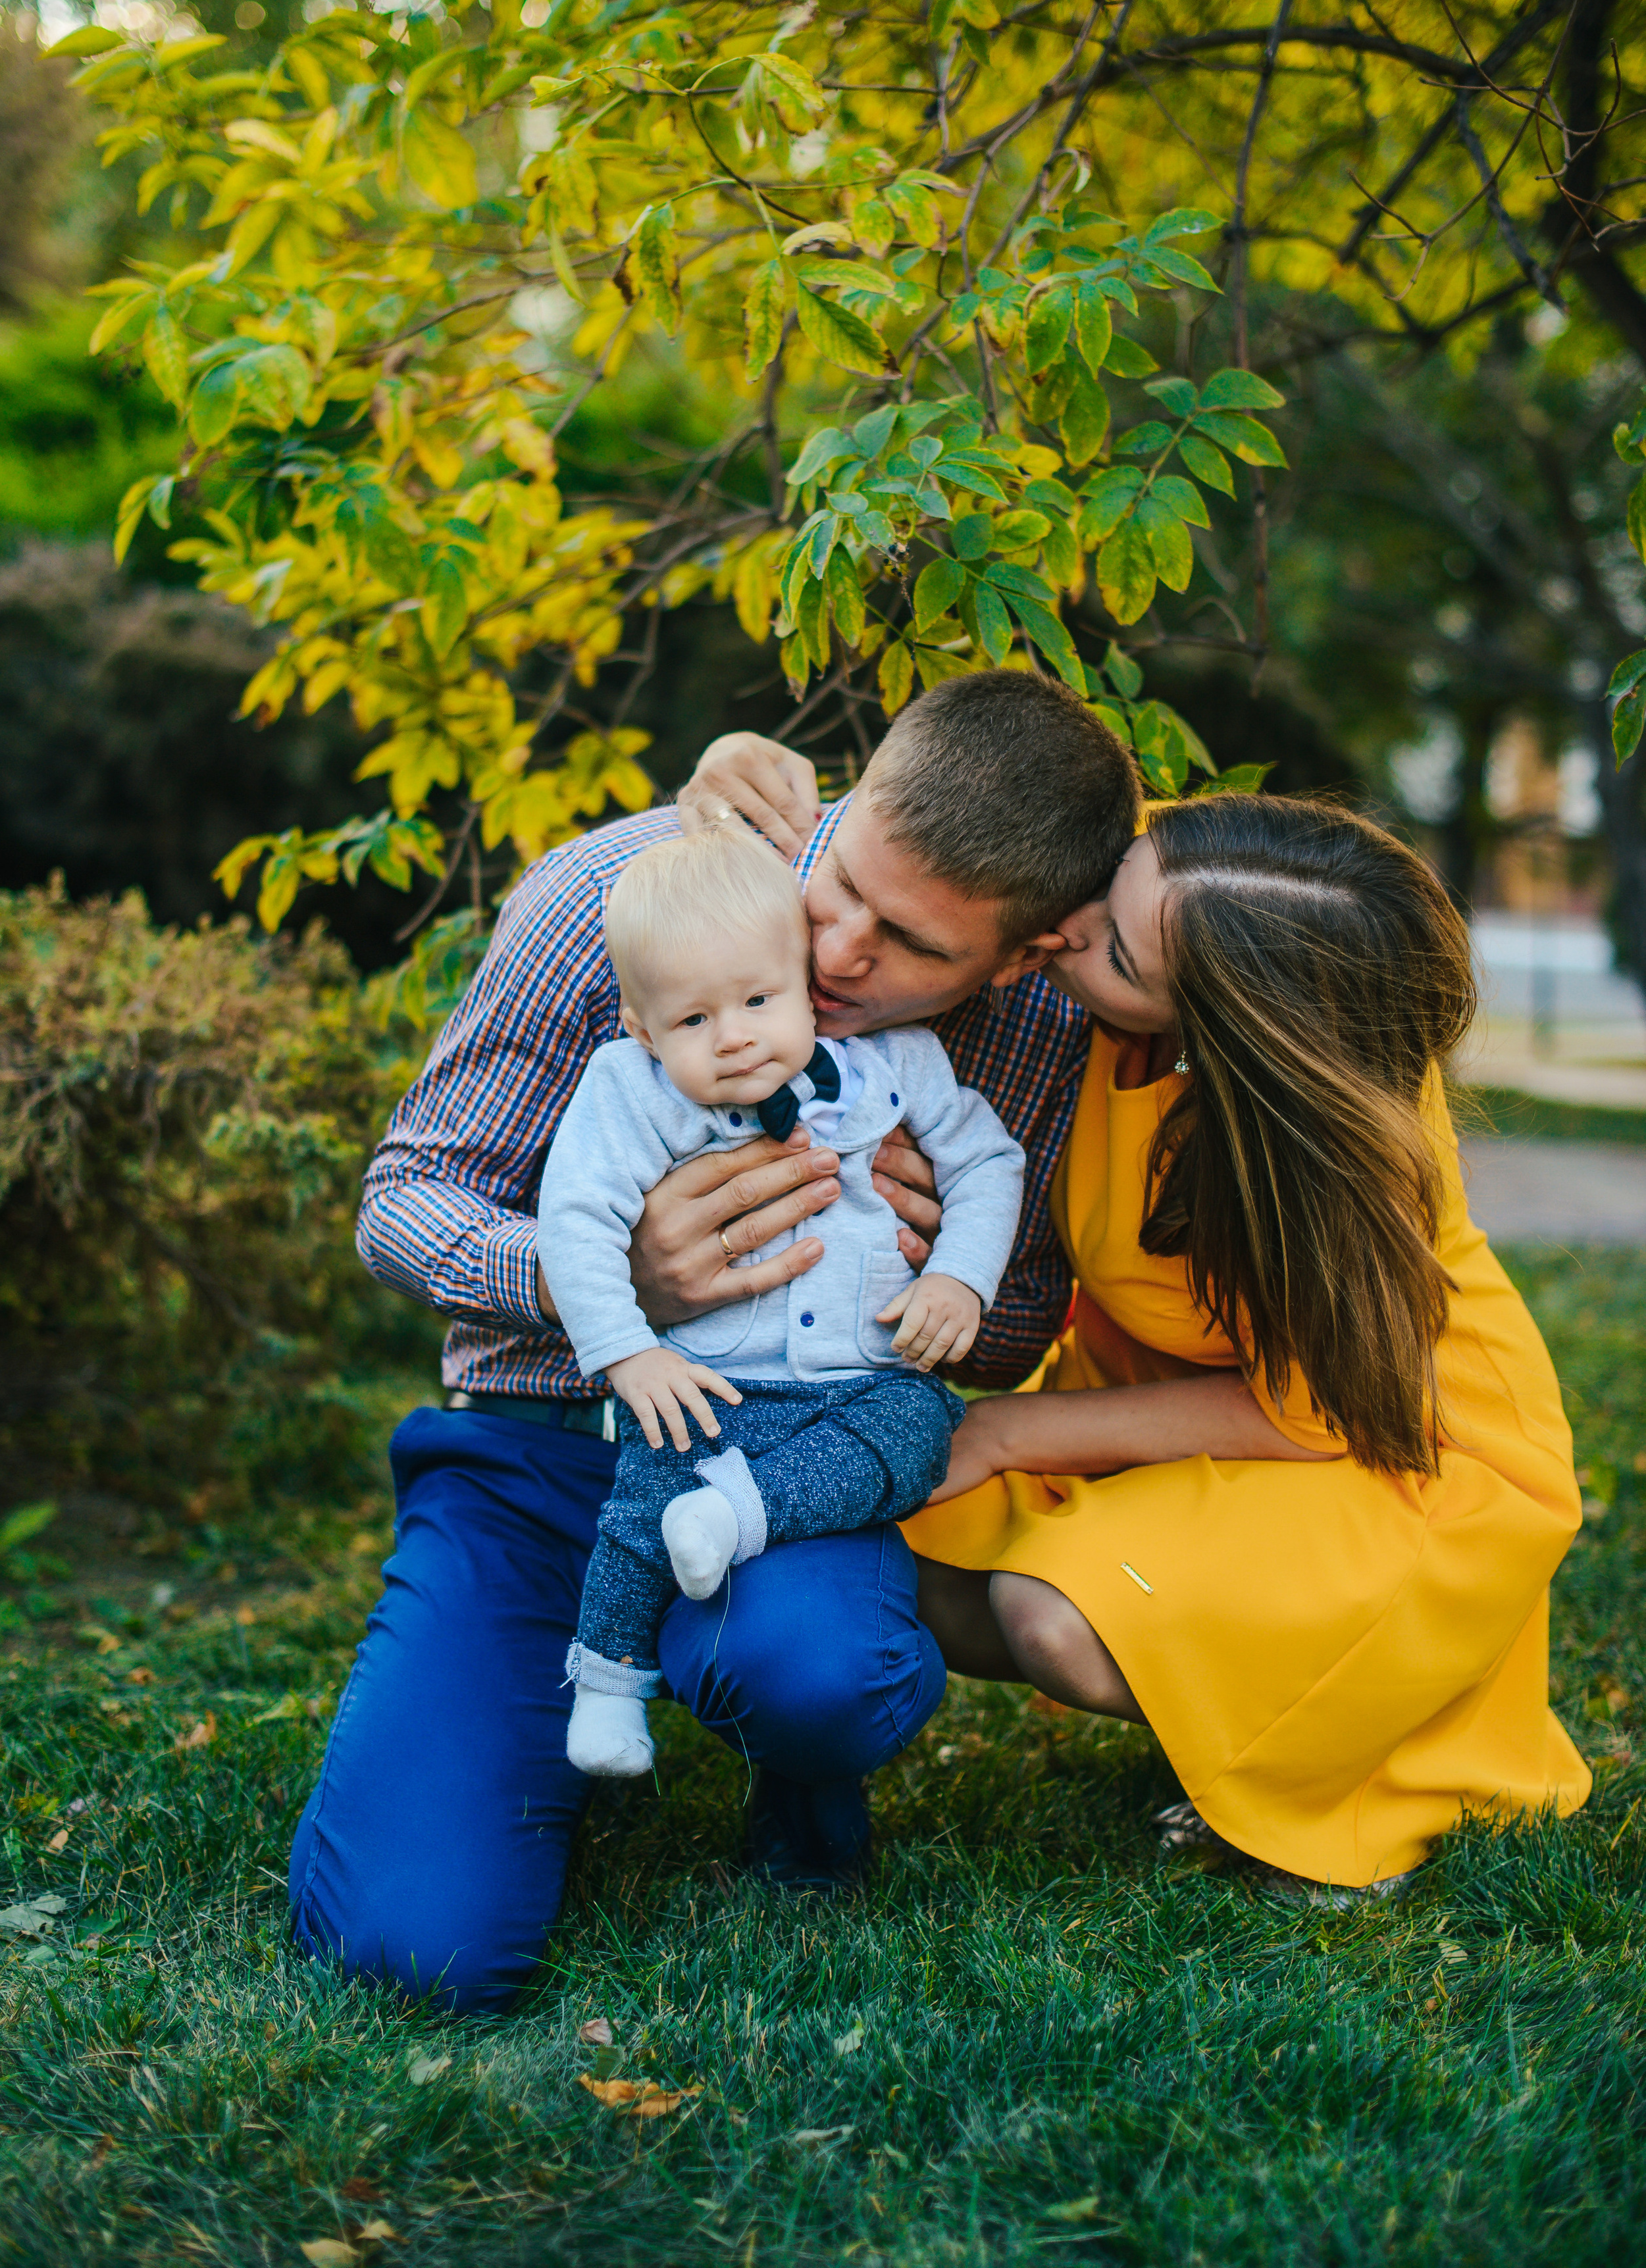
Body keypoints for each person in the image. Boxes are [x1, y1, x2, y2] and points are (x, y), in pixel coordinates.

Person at [288, 672, 1140, 2009]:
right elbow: (403, 1204)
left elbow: (1020, 1324)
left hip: (795, 1468)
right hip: (543, 1447)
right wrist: (610, 1286)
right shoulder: (618, 895)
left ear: (1022, 953)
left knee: (817, 1677)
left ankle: (771, 1736)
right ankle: (548, 1702)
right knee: (412, 1950)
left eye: (910, 945)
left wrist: (931, 1257)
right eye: (839, 885)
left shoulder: (1045, 1029)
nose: (842, 951)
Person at [905, 792, 1591, 1894]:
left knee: (1052, 1617)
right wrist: (763, 786)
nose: (1069, 932)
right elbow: (954, 800)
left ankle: (1343, 1764)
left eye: (1120, 956)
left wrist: (1009, 1428)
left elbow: (1311, 1411)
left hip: (1389, 1449)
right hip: (1183, 1398)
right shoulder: (1180, 875)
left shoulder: (1325, 1147)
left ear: (1226, 1037)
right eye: (1112, 884)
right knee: (919, 1562)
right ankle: (1237, 1710)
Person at [540, 821, 1023, 1777]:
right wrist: (628, 1351)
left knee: (916, 1434)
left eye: (760, 1000)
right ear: (641, 1029)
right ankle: (607, 1685)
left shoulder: (895, 1064)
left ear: (804, 983)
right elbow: (576, 1218)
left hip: (860, 1382)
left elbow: (988, 1162)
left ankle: (737, 1515)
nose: (734, 1038)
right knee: (641, 1507)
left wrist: (958, 1274)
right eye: (692, 1021)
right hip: (708, 1381)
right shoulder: (630, 1093)